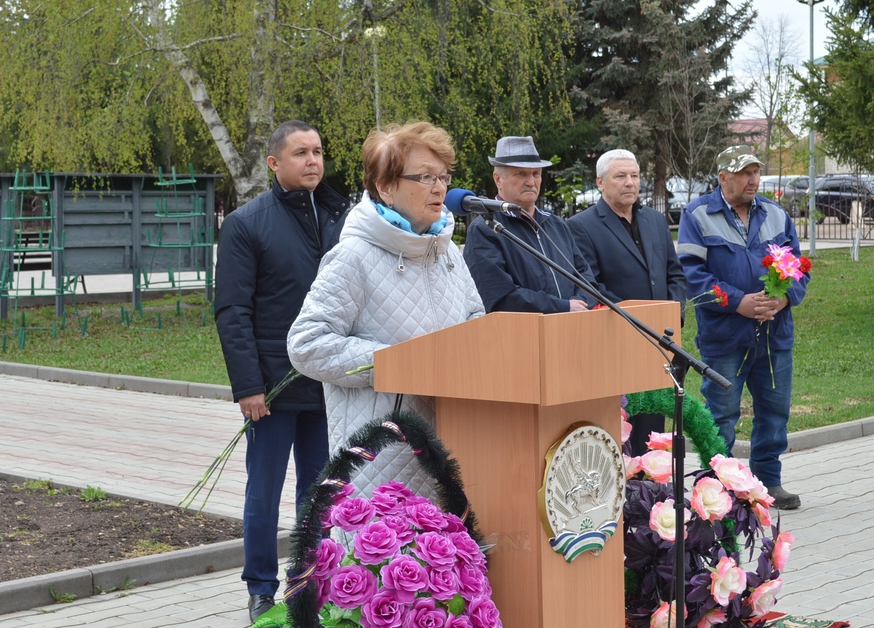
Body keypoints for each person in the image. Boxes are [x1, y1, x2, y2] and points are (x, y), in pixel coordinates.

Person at [287, 122, 485, 500]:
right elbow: (306, 345)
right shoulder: (353, 257)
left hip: (450, 450)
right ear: (385, 187)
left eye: (443, 176)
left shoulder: (448, 253)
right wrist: (396, 362)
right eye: (425, 177)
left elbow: (476, 321)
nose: (439, 188)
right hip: (381, 462)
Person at [214, 120, 349, 624]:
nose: (313, 161)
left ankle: (310, 584)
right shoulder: (247, 223)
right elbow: (232, 310)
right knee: (264, 492)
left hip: (325, 382)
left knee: (319, 493)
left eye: (318, 151)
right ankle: (259, 587)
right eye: (300, 153)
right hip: (272, 388)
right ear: (274, 163)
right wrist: (249, 386)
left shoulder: (340, 216)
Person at [675, 147, 809, 510]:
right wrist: (739, 302)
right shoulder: (697, 215)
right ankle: (718, 489)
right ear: (723, 177)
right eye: (744, 173)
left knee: (774, 412)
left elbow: (798, 268)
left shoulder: (776, 215)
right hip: (726, 338)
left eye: (755, 172)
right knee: (721, 416)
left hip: (773, 335)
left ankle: (767, 482)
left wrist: (784, 299)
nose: (752, 180)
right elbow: (692, 276)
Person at [569, 148, 685, 456]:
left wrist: (673, 315)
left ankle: (653, 483)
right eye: (620, 176)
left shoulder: (655, 221)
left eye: (634, 175)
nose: (630, 182)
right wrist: (637, 319)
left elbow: (674, 274)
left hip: (659, 344)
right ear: (600, 182)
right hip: (617, 344)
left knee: (653, 434)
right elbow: (591, 286)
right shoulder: (582, 225)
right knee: (623, 435)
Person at [463, 135, 597, 313]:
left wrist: (581, 302)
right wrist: (563, 307)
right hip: (524, 330)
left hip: (573, 325)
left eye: (536, 174)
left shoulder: (556, 225)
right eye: (521, 173)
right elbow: (499, 297)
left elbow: (586, 276)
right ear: (498, 179)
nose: (531, 182)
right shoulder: (485, 229)